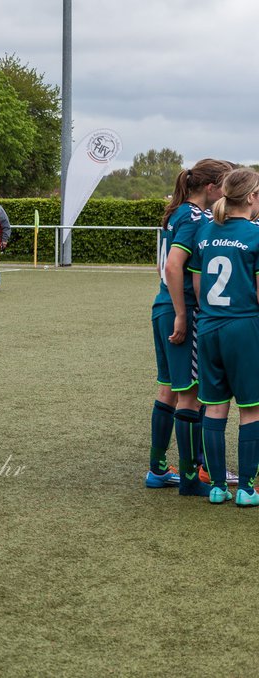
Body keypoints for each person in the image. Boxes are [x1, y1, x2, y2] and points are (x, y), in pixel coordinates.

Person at [147, 158, 230, 495]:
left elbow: (162, 267)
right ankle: (192, 477)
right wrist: (183, 313)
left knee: (169, 387)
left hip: (162, 305)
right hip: (182, 310)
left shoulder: (178, 211)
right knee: (191, 396)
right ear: (211, 187)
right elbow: (172, 265)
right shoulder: (197, 218)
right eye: (225, 184)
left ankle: (157, 469)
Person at [188, 166, 259, 506]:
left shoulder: (204, 232)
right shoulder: (256, 234)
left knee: (214, 408)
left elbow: (199, 286)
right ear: (251, 197)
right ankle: (246, 489)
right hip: (244, 326)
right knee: (251, 410)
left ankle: (217, 487)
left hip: (210, 326)